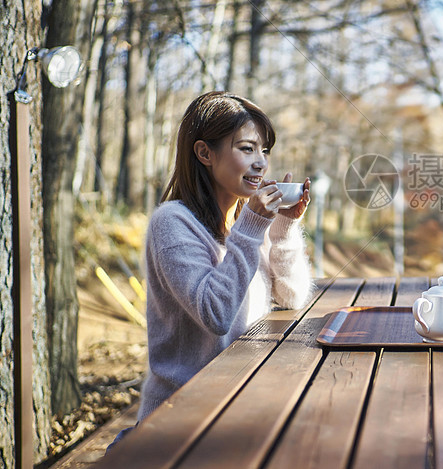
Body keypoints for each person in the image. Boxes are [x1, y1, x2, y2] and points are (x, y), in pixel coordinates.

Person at [108, 91, 314, 451]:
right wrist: (252, 227)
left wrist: (282, 227)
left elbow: (292, 296)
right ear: (205, 153)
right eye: (247, 149)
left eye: (263, 150)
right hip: (182, 419)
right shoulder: (172, 223)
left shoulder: (243, 221)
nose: (261, 163)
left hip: (239, 400)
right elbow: (215, 314)